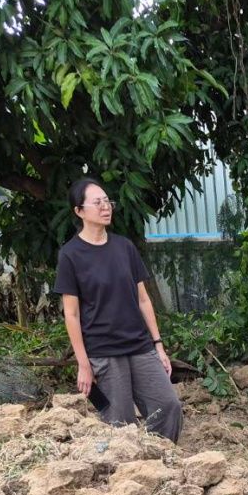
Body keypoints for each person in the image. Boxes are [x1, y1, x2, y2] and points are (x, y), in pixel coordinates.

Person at [53, 177, 183, 442]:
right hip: (104, 353)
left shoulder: (124, 247)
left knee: (168, 406)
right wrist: (83, 364)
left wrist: (158, 345)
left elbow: (144, 300)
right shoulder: (70, 255)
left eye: (107, 201)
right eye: (97, 202)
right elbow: (72, 314)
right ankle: (126, 475)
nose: (105, 207)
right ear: (79, 211)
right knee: (119, 426)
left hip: (139, 346)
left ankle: (161, 460)